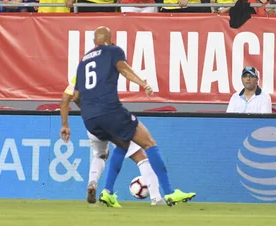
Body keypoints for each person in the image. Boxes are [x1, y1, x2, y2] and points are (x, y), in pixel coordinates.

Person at [59, 26, 196, 208]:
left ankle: (107, 192)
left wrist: (73, 120)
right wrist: (142, 83)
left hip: (90, 119)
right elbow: (124, 69)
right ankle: (169, 193)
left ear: (94, 42)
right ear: (110, 38)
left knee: (123, 145)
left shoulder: (83, 62)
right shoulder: (113, 51)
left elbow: (74, 96)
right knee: (148, 143)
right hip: (110, 110)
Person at [59, 77, 165, 205]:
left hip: (91, 123)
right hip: (110, 120)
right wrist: (141, 83)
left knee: (100, 155)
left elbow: (67, 99)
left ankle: (92, 182)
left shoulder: (81, 74)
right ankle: (156, 197)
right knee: (141, 157)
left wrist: (65, 125)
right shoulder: (104, 70)